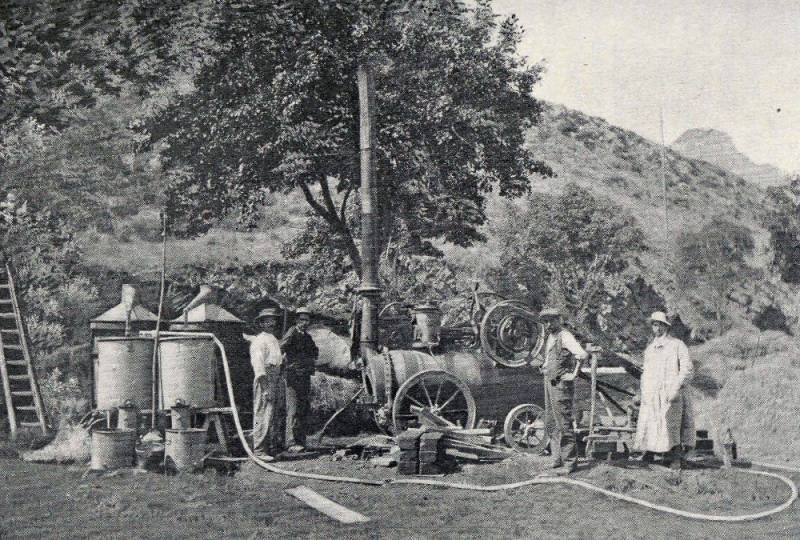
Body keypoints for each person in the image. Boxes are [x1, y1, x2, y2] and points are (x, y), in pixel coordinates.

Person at [633, 311, 695, 470]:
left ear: (666, 326)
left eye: (659, 324)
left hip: (671, 391)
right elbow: (646, 372)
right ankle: (650, 451)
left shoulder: (677, 345)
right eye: (654, 324)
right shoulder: (650, 349)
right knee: (651, 421)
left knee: (672, 423)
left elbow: (687, 369)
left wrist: (677, 387)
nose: (656, 327)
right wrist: (643, 392)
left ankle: (675, 456)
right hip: (653, 393)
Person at [539, 307, 590, 474]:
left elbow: (582, 355)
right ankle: (557, 458)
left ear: (558, 320)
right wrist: (545, 367)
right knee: (551, 422)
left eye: (550, 320)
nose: (547, 324)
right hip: (549, 382)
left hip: (561, 385)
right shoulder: (550, 338)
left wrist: (573, 374)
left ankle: (570, 463)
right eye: (545, 321)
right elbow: (549, 358)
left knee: (564, 424)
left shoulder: (565, 336)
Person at [245, 308, 285, 460]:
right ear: (261, 323)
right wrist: (265, 386)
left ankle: (271, 448)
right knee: (263, 412)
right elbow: (258, 365)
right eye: (267, 321)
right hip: (265, 378)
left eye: (273, 320)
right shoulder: (259, 341)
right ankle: (260, 450)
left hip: (275, 376)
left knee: (273, 414)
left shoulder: (273, 339)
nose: (271, 323)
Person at [281, 307, 318, 452]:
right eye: (302, 319)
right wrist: (287, 362)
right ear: (296, 320)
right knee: (293, 409)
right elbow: (281, 347)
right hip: (293, 376)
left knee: (303, 409)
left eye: (307, 320)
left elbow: (315, 351)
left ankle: (301, 441)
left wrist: (308, 358)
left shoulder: (307, 337)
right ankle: (290, 443)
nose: (304, 322)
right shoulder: (291, 333)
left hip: (305, 376)